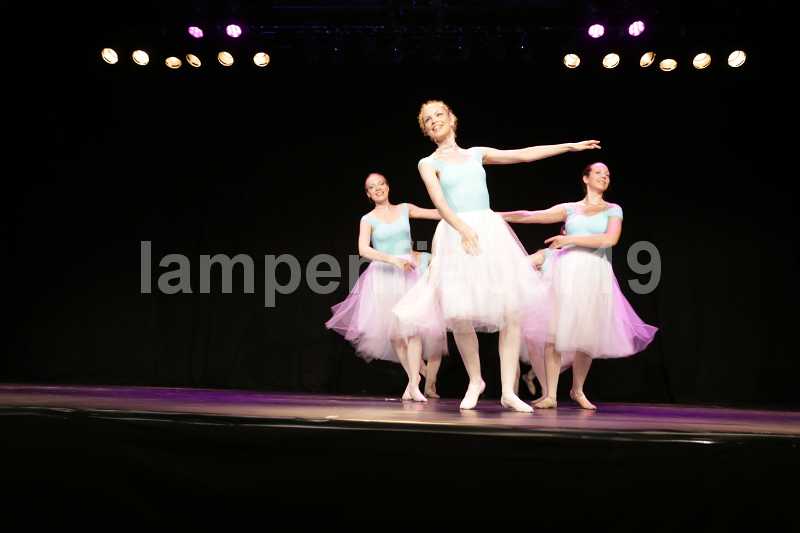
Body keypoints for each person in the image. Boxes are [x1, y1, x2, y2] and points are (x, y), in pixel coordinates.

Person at [393, 100, 600, 412]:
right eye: (427, 119)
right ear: (426, 130)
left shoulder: (476, 153)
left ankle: (507, 391)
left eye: (438, 115)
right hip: (455, 234)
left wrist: (569, 147)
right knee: (459, 312)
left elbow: (523, 155)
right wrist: (462, 228)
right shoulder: (428, 163)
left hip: (489, 231)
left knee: (511, 310)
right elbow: (439, 202)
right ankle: (475, 380)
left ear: (451, 118)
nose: (434, 120)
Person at [503, 162, 658, 409]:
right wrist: (495, 216)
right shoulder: (570, 209)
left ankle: (577, 390)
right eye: (599, 172)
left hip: (594, 273)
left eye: (607, 174)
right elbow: (531, 215)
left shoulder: (613, 209)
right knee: (554, 333)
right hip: (565, 272)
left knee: (586, 335)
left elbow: (609, 239)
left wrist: (569, 239)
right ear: (585, 178)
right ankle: (551, 395)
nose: (604, 176)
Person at [326, 173, 446, 402]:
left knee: (412, 328)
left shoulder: (404, 209)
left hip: (408, 273)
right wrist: (392, 259)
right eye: (372, 187)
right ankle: (413, 379)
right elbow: (364, 249)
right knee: (395, 335)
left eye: (381, 184)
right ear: (368, 194)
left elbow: (438, 212)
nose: (378, 188)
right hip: (383, 275)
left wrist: (463, 212)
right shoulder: (368, 219)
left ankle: (414, 384)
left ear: (388, 187)